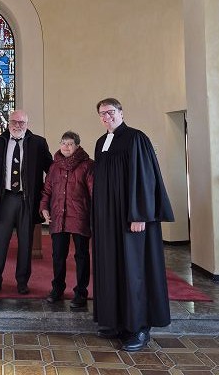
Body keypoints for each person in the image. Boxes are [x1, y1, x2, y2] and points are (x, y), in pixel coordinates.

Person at [93, 98, 174, 352]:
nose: (107, 117)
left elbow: (145, 178)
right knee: (113, 267)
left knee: (134, 270)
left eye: (110, 112)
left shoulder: (136, 138)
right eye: (102, 114)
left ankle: (139, 327)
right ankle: (118, 322)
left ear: (121, 112)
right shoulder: (101, 143)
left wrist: (139, 214)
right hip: (109, 220)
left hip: (132, 218)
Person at [0, 110, 53, 295]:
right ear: (8, 123)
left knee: (25, 243)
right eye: (14, 121)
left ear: (27, 124)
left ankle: (22, 282)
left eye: (21, 122)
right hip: (5, 199)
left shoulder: (38, 143)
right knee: (0, 242)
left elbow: (51, 169)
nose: (17, 125)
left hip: (27, 200)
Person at [40, 131, 94, 309]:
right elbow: (47, 190)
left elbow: (94, 192)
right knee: (58, 255)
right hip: (58, 216)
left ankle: (81, 292)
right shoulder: (54, 166)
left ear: (77, 146)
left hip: (80, 216)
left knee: (81, 256)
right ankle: (57, 289)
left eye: (70, 144)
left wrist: (95, 216)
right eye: (63, 143)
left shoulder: (88, 165)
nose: (66, 147)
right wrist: (44, 207)